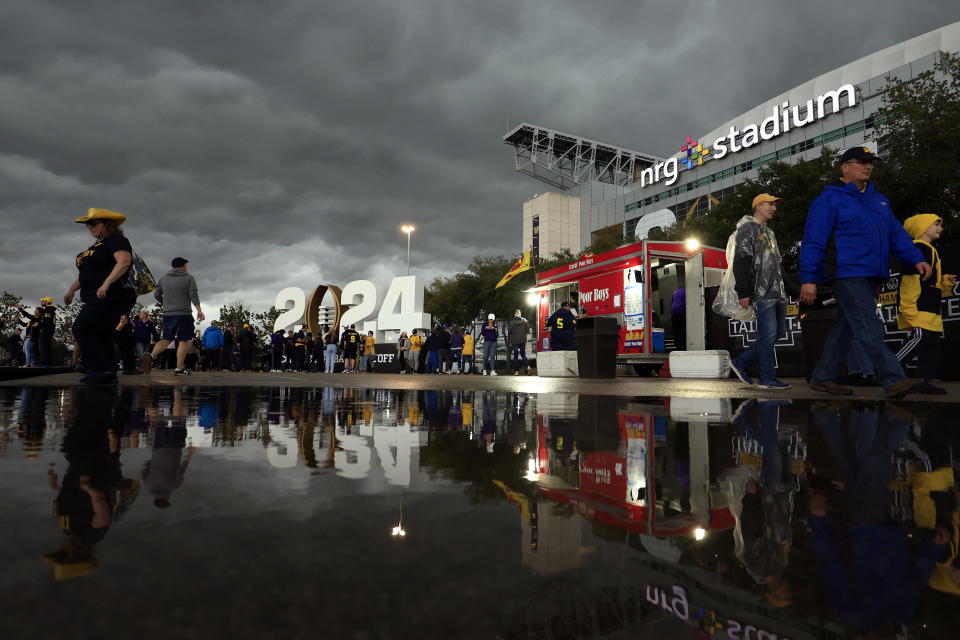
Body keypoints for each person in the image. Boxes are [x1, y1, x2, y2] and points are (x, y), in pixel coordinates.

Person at [800, 146, 932, 399]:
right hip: (847, 273)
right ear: (845, 167)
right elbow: (813, 241)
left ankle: (822, 376)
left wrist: (916, 258)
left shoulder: (879, 200)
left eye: (870, 162)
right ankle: (893, 379)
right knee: (868, 323)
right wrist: (808, 279)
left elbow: (896, 234)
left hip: (873, 273)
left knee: (847, 326)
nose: (868, 166)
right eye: (861, 162)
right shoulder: (829, 199)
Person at [728, 194, 791, 390]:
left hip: (777, 292)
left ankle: (740, 362)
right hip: (761, 292)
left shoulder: (770, 233)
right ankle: (767, 377)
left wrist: (791, 287)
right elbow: (741, 260)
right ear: (758, 207)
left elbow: (777, 264)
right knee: (768, 333)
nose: (774, 208)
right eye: (770, 204)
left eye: (775, 205)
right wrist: (743, 291)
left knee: (777, 333)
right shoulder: (747, 229)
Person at [64, 208, 133, 384]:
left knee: (81, 328)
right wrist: (72, 290)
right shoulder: (96, 246)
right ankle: (108, 372)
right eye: (88, 224)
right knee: (102, 333)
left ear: (107, 224)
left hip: (108, 296)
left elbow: (124, 262)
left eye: (94, 223)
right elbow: (87, 274)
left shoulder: (117, 240)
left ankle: (99, 368)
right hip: (94, 296)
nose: (89, 227)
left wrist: (106, 283)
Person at [895, 214, 956, 394]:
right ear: (922, 227)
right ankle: (888, 369)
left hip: (931, 310)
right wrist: (908, 308)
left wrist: (944, 281)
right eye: (936, 224)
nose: (941, 228)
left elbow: (930, 283)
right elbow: (909, 281)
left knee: (933, 347)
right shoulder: (917, 249)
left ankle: (923, 381)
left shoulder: (929, 249)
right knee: (919, 339)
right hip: (919, 308)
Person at [141, 257, 205, 376]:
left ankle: (151, 356)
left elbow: (157, 295)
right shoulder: (189, 278)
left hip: (168, 314)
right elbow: (193, 294)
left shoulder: (163, 279)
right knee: (183, 340)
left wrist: (166, 304)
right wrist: (199, 311)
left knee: (166, 339)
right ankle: (179, 368)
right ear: (183, 265)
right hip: (183, 314)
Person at [508, 309, 530, 375]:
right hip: (522, 340)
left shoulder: (512, 322)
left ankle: (516, 371)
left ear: (515, 314)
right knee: (523, 354)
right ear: (520, 314)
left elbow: (509, 332)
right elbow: (528, 331)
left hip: (515, 341)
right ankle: (528, 367)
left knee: (515, 356)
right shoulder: (525, 321)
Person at [671, 286, 686, 350]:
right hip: (682, 313)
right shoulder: (687, 291)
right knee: (684, 331)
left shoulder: (675, 292)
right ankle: (684, 346)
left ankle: (678, 347)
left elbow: (672, 302)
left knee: (677, 332)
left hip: (674, 314)